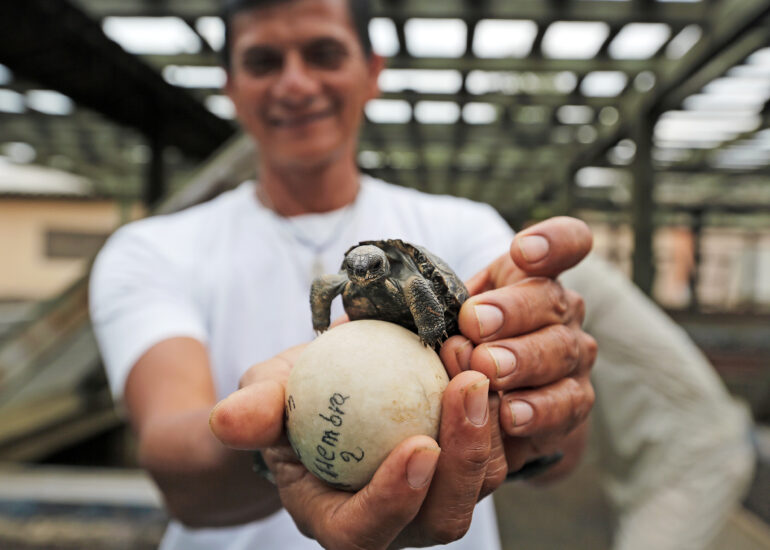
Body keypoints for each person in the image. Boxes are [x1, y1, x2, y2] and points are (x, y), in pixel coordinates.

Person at [88, 0, 753, 549]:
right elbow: (171, 452)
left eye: (323, 53)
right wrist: (284, 434)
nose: (294, 83)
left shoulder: (463, 232)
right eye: (263, 62)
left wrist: (537, 400)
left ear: (372, 72)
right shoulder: (150, 249)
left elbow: (561, 450)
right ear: (230, 87)